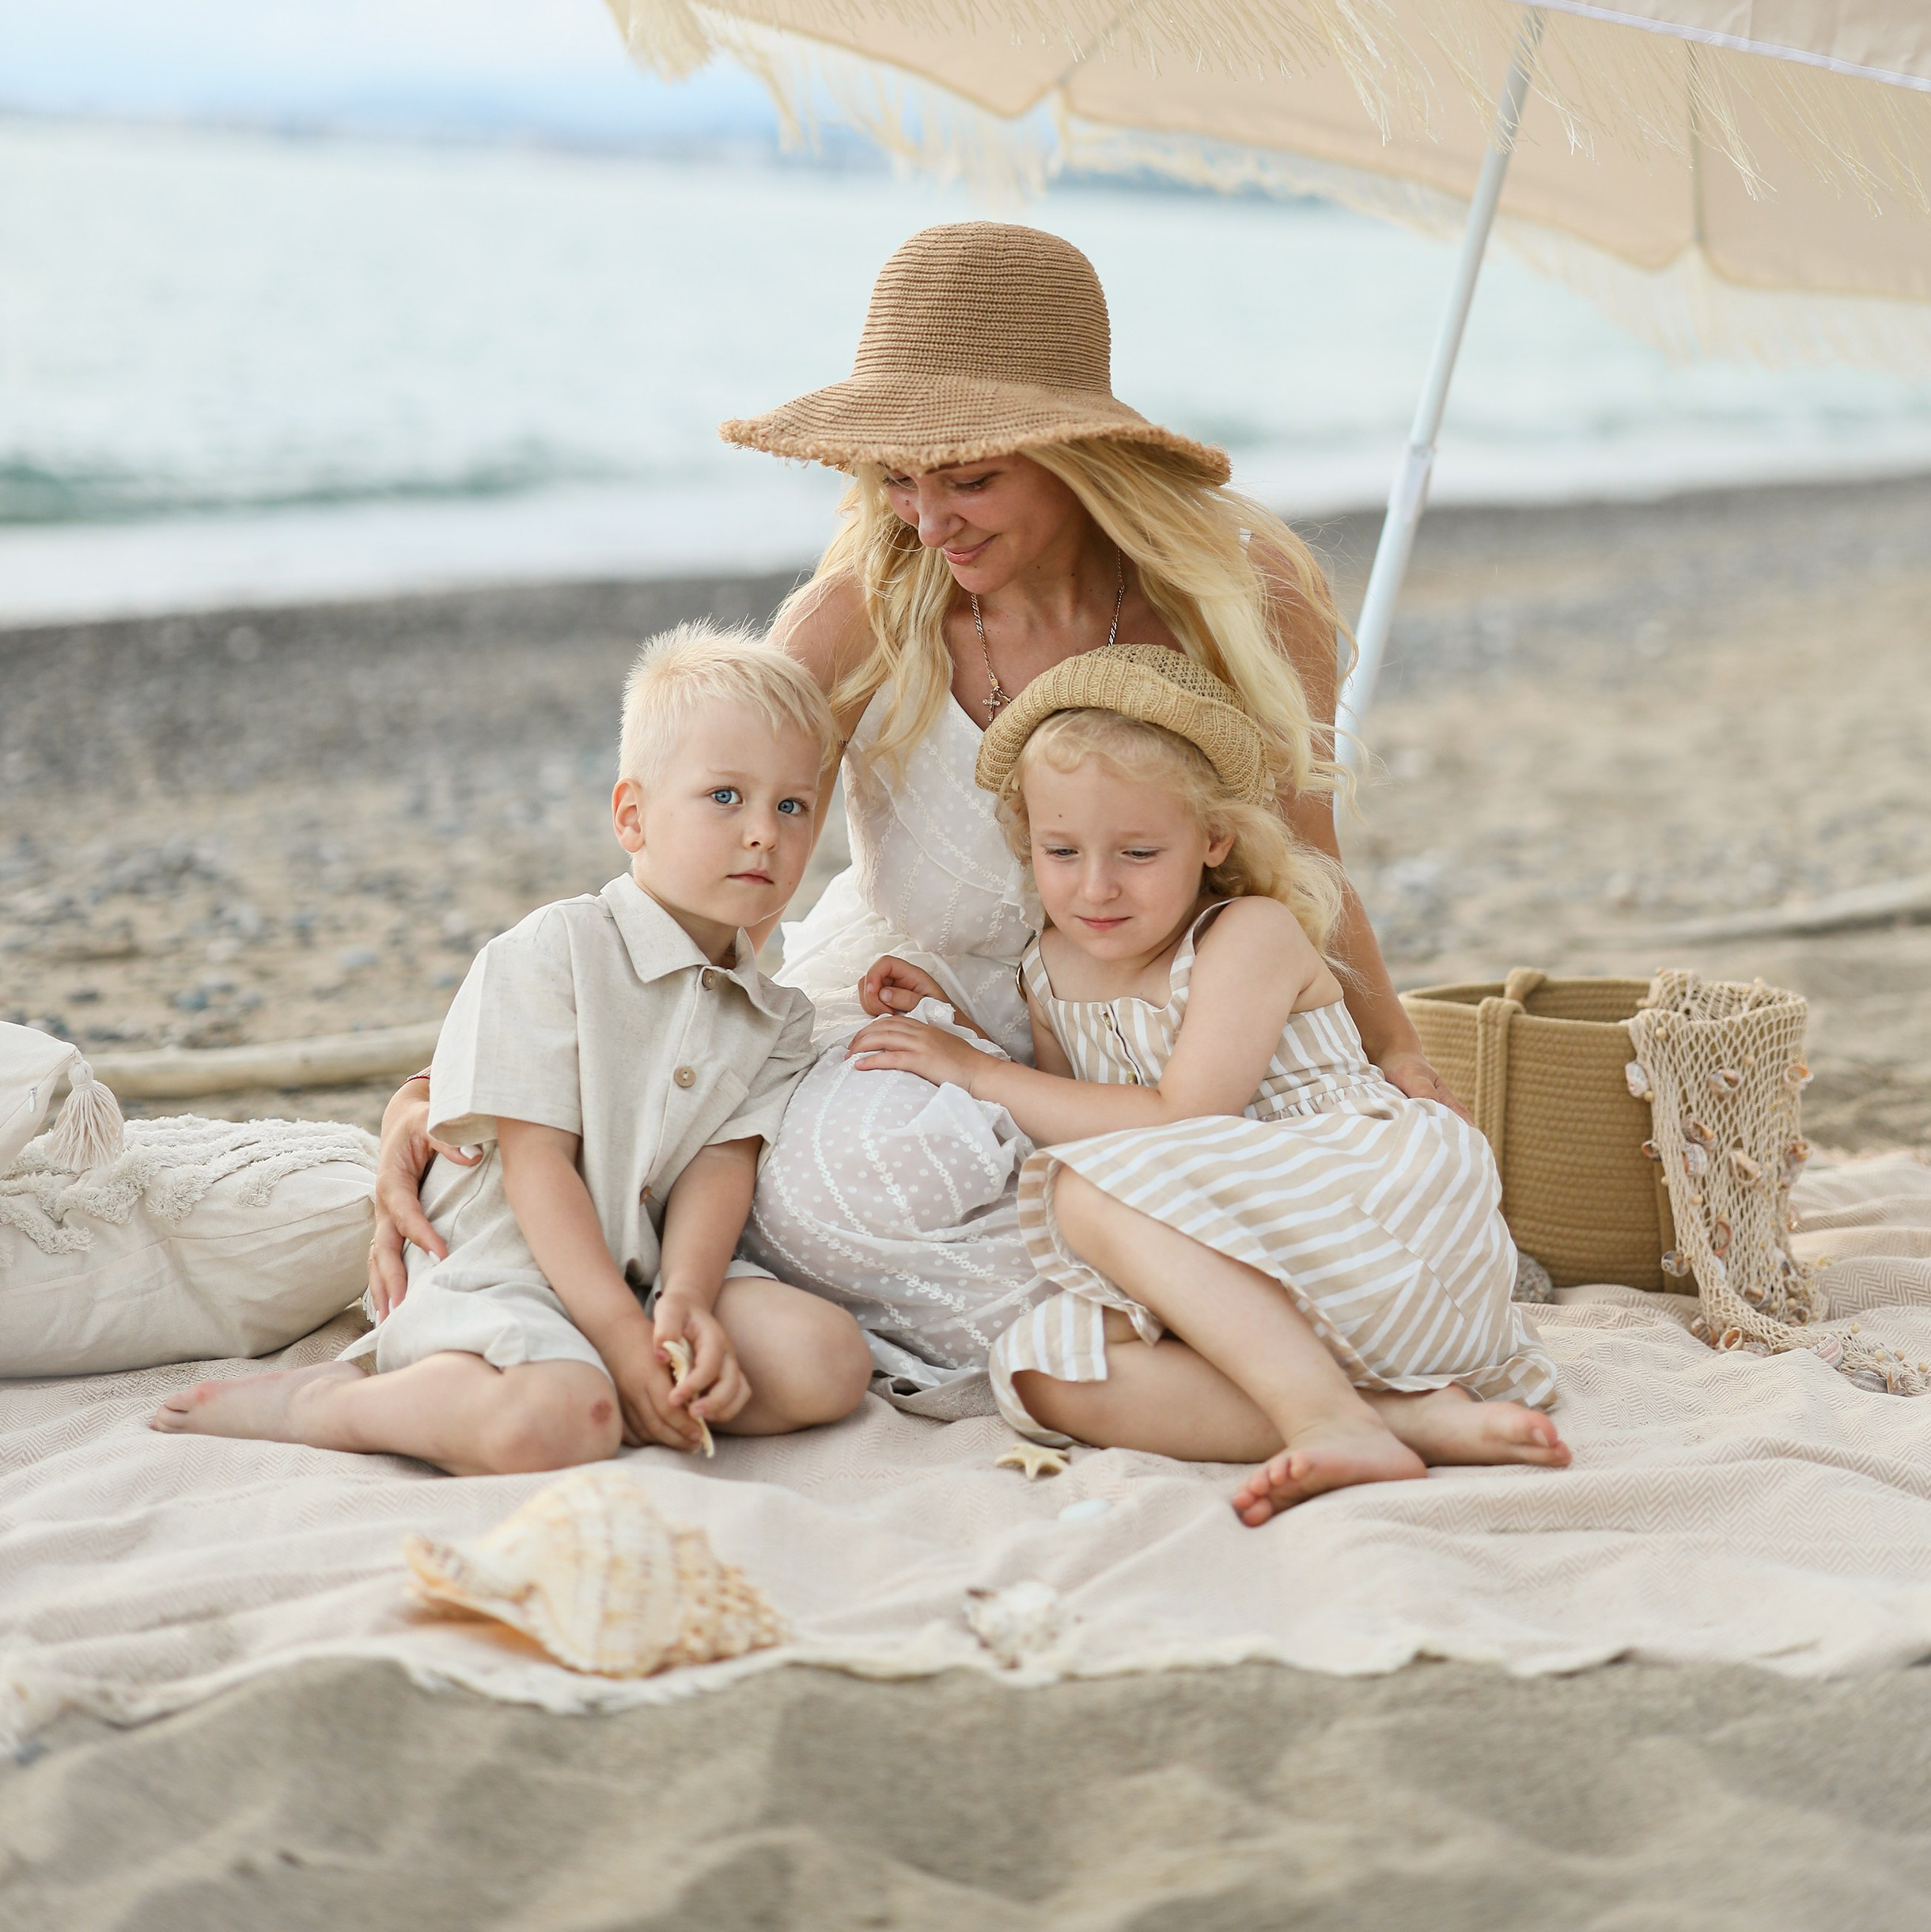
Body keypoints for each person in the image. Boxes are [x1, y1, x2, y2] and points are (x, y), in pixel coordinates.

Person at [372, 221, 1465, 1401]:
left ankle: (1160, 1340)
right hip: (905, 1025)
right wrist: (469, 1075)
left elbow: (1309, 853)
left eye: (971, 478)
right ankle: (1217, 1334)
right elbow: (693, 869)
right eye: (897, 476)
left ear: (1076, 454)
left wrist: (1396, 1046)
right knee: (842, 1194)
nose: (927, 519)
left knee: (1394, 1179)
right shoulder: (859, 616)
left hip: (1162, 1030)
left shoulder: (1242, 595)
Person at [850, 646, 1565, 1519]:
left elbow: (1180, 1115)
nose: (1096, 886)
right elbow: (1072, 1110)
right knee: (1043, 1373)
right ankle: (1393, 1421)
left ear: (1212, 839)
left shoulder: (1248, 935)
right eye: (1061, 850)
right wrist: (958, 1023)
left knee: (1082, 1195)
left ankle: (1322, 1414)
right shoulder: (1048, 967)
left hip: (1360, 1213)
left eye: (1138, 852)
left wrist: (978, 1072)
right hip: (1246, 1275)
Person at [153, 629, 870, 1473]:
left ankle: (613, 1381)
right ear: (631, 815)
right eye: (724, 797)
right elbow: (536, 1168)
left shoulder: (775, 1015)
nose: (763, 834)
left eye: (791, 806)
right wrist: (615, 1332)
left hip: (639, 1263)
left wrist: (683, 1302)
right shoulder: (551, 949)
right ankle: (330, 1403)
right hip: (505, 1263)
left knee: (828, 1362)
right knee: (559, 1423)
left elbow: (721, 1166)